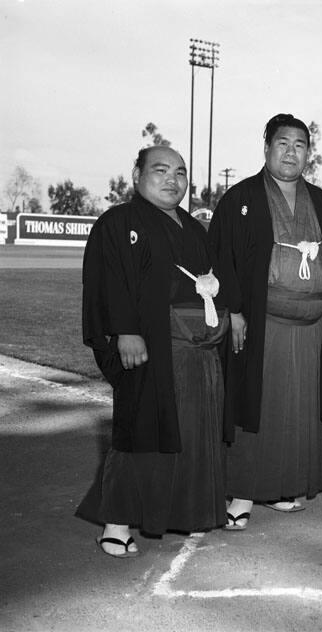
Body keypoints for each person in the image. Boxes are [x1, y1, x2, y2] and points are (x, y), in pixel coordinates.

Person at [77, 146, 229, 557]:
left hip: (193, 353)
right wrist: (125, 331)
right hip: (146, 348)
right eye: (160, 170)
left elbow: (211, 284)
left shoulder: (194, 229)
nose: (172, 180)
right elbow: (108, 281)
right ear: (137, 174)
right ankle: (117, 522)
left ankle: (181, 512)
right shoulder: (119, 222)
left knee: (189, 434)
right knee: (139, 431)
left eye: (180, 173)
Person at [208, 113, 322, 530]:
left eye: (300, 145)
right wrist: (236, 311)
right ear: (266, 148)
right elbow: (221, 257)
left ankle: (282, 487)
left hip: (311, 327)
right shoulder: (240, 198)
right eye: (283, 143)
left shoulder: (320, 200)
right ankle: (243, 493)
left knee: (299, 412)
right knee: (255, 408)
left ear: (308, 154)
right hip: (263, 324)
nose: (291, 152)